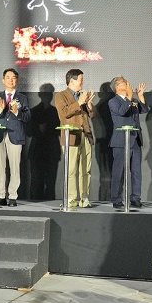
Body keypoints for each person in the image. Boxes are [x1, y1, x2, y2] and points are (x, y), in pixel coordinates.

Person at [54, 69, 96, 208]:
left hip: (86, 135)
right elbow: (63, 113)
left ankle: (84, 198)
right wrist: (79, 102)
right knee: (71, 169)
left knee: (86, 169)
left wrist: (88, 104)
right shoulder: (61, 95)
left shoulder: (82, 95)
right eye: (81, 80)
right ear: (72, 81)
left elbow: (92, 115)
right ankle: (71, 199)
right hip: (71, 136)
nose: (83, 83)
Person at [0, 68, 30, 207]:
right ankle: (0, 195)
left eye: (13, 78)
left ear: (16, 81)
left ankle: (13, 196)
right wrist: (0, 110)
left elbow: (27, 117)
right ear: (3, 80)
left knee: (14, 168)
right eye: (8, 77)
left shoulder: (22, 98)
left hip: (15, 135)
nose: (11, 80)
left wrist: (17, 112)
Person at [108, 76, 149, 209]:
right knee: (119, 171)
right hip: (120, 141)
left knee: (136, 171)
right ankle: (116, 198)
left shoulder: (133, 100)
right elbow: (122, 112)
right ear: (117, 87)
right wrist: (130, 97)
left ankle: (136, 198)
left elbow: (144, 110)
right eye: (124, 83)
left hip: (135, 139)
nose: (128, 84)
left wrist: (140, 96)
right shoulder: (113, 101)